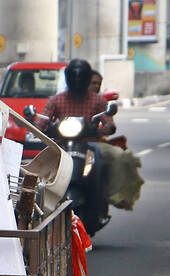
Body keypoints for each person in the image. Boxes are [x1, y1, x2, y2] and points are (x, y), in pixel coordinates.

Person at [36, 58, 116, 230]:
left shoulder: (97, 100)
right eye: (74, 77)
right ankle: (43, 208)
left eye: (81, 78)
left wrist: (106, 128)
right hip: (62, 146)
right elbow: (42, 119)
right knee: (43, 174)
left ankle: (100, 201)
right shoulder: (58, 100)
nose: (78, 81)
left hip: (89, 145)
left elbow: (108, 121)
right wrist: (38, 126)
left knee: (100, 163)